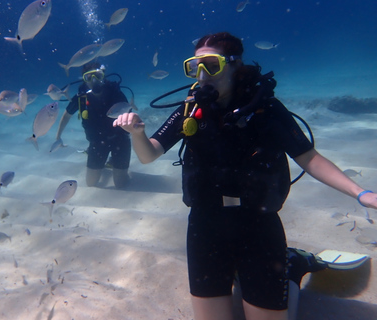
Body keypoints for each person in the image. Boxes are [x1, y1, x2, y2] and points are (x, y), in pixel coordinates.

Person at [113, 32, 377, 320]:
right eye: (194, 66)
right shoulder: (191, 110)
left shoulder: (266, 110)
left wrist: (360, 193)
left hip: (258, 224)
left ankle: (291, 267)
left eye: (210, 65)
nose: (201, 75)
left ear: (234, 64)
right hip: (205, 224)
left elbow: (309, 158)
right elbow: (149, 154)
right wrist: (137, 134)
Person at [52, 61, 131, 189]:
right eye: (89, 77)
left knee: (121, 184)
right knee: (91, 183)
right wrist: (58, 136)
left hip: (120, 141)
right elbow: (66, 115)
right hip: (97, 142)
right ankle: (106, 162)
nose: (94, 80)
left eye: (97, 75)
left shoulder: (115, 93)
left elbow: (129, 114)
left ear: (103, 76)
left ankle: (115, 163)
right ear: (84, 80)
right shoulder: (81, 97)